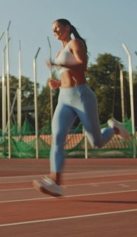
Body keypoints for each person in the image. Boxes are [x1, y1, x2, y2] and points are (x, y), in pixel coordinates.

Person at [33, 18, 130, 197]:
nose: (55, 31)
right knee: (57, 138)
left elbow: (82, 65)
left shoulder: (75, 43)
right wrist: (57, 82)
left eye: (58, 28)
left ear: (67, 27)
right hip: (64, 98)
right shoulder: (59, 52)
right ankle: (55, 183)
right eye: (53, 30)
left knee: (97, 142)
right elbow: (67, 75)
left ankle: (114, 129)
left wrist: (58, 65)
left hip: (82, 96)